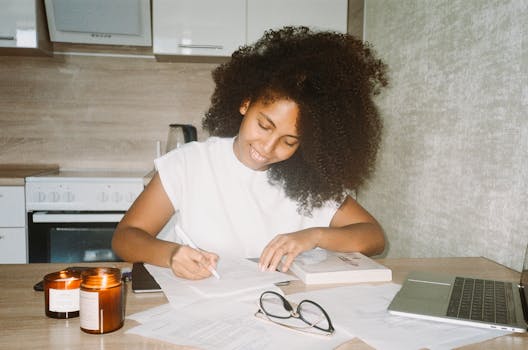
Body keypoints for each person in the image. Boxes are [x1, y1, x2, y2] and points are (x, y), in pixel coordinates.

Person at [112, 26, 389, 280]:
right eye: (264, 125)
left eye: (289, 141)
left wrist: (315, 236)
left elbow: (374, 237)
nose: (267, 148)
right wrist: (170, 255)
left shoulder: (310, 183)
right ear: (245, 104)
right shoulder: (190, 163)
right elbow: (125, 237)